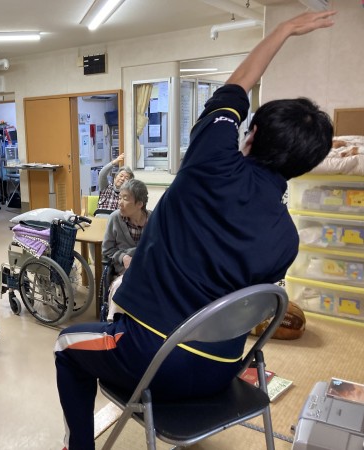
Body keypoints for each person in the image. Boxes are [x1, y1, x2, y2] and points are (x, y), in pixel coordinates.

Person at [54, 10, 336, 450]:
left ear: (250, 135)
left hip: (150, 360)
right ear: (303, 166)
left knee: (66, 345)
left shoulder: (212, 160)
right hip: (221, 370)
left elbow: (237, 85)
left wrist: (283, 30)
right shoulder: (288, 239)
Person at [101, 179, 150, 321]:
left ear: (139, 204)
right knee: (120, 286)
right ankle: (114, 323)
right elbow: (107, 250)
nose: (120, 202)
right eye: (119, 197)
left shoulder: (153, 219)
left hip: (148, 269)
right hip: (124, 271)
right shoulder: (115, 218)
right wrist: (123, 257)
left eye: (125, 198)